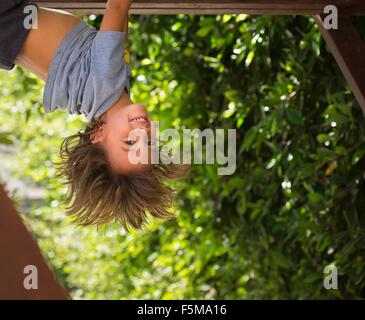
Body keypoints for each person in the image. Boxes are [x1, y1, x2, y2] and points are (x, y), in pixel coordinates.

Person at [0, 0, 188, 230]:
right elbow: (119, 36)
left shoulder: (106, 84)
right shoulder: (104, 97)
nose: (141, 132)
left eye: (129, 142)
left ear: (98, 134)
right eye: (148, 142)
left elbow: (118, 6)